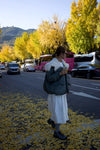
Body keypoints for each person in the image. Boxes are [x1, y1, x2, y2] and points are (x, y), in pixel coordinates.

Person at [44, 46, 70, 140]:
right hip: (55, 93)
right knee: (59, 112)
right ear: (60, 54)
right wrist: (59, 74)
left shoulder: (63, 63)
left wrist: (67, 90)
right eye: (65, 53)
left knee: (59, 110)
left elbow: (65, 79)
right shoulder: (52, 64)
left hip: (61, 92)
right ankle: (57, 132)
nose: (66, 55)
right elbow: (49, 78)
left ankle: (52, 120)